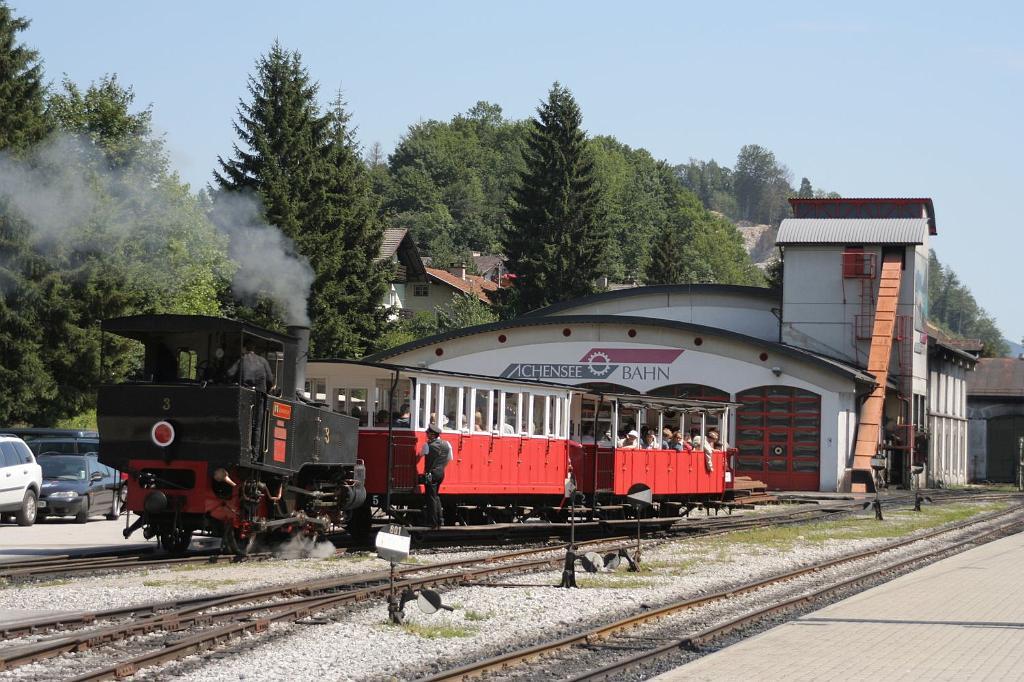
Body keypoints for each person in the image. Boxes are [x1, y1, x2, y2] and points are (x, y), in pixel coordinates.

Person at [418, 423, 452, 528]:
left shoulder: (427, 446)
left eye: (427, 433)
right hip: (441, 473)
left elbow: (419, 455)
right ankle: (440, 520)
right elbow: (449, 459)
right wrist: (440, 467)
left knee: (431, 498)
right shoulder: (447, 444)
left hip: (431, 474)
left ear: (432, 435)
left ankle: (433, 522)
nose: (426, 434)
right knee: (436, 496)